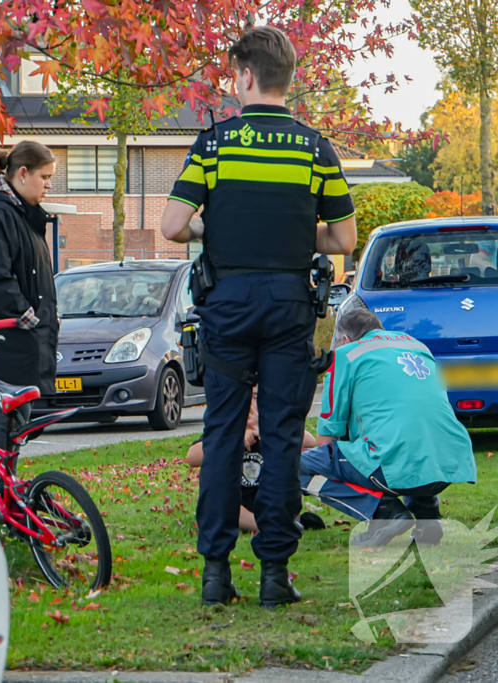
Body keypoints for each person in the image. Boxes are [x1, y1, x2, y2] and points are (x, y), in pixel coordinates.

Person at [161, 26, 357, 608]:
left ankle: (215, 575)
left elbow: (173, 225)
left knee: (221, 434)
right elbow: (343, 236)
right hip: (289, 307)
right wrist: (297, 233)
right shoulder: (316, 148)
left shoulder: (215, 144)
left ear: (245, 77)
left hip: (227, 304)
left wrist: (209, 226)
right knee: (278, 437)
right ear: (286, 78)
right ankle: (275, 575)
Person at [301, 308, 477, 547]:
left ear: (345, 340)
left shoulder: (345, 356)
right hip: (449, 463)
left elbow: (326, 440)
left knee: (295, 465)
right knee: (411, 438)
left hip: (391, 469)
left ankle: (385, 513)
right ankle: (428, 521)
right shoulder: (418, 346)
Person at [0, 142, 58, 450]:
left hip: (21, 338)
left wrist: (45, 314)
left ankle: (4, 493)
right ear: (22, 173)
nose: (48, 185)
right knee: (6, 423)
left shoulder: (25, 217)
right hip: (4, 340)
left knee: (16, 424)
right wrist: (27, 315)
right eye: (44, 177)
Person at [185, 387, 323, 534]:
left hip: (268, 498)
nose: (250, 405)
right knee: (221, 502)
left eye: (256, 397)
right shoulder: (227, 429)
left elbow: (309, 441)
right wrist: (234, 440)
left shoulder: (272, 425)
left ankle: (281, 520)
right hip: (238, 504)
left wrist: (266, 429)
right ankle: (265, 525)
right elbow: (192, 457)